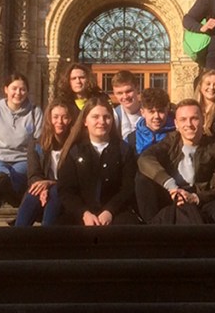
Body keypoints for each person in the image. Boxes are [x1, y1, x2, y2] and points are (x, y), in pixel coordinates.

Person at [135, 99, 215, 224]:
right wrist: (171, 186)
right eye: (183, 119)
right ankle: (150, 228)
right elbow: (144, 159)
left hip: (202, 199)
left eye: (194, 118)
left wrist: (195, 197)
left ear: (203, 120)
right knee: (142, 178)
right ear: (176, 124)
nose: (189, 124)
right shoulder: (170, 141)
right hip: (172, 196)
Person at [57, 95, 139, 225]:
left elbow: (128, 188)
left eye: (106, 117)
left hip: (116, 213)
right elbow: (66, 190)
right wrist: (84, 213)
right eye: (95, 117)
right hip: (80, 214)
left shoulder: (124, 150)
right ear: (85, 121)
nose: (102, 121)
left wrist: (109, 211)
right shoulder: (74, 152)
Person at [0, 73, 44, 208]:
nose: (18, 93)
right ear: (6, 89)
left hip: (23, 160)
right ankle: (4, 188)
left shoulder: (35, 112)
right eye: (14, 88)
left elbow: (39, 143)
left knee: (17, 175)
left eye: (22, 89)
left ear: (27, 92)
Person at [15, 100, 73, 226]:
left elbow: (73, 180)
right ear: (49, 119)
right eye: (55, 117)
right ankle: (18, 232)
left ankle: (46, 232)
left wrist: (50, 183)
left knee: (55, 190)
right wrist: (43, 188)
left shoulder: (76, 146)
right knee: (34, 190)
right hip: (42, 192)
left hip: (66, 193)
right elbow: (33, 174)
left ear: (70, 120)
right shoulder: (36, 145)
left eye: (64, 117)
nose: (59, 121)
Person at [124, 87, 175, 155]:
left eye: (161, 111)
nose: (156, 116)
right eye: (151, 112)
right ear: (142, 112)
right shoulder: (131, 140)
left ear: (167, 110)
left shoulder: (177, 136)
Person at [111, 71, 143, 141]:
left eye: (128, 91)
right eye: (120, 93)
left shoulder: (150, 112)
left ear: (137, 89)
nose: (125, 96)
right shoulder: (113, 116)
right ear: (114, 94)